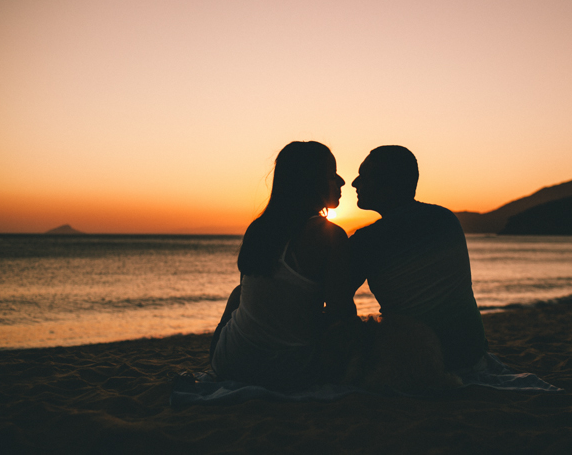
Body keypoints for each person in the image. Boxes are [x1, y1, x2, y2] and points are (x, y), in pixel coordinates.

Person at [209, 141, 356, 389]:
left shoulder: (258, 229)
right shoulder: (329, 235)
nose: (341, 182)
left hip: (228, 362)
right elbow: (339, 311)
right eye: (332, 175)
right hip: (293, 370)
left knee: (238, 294)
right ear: (312, 180)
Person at [349, 145, 489, 371]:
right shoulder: (445, 219)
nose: (355, 183)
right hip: (470, 352)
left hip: (421, 356)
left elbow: (337, 297)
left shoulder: (369, 239)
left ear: (388, 184)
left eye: (364, 176)